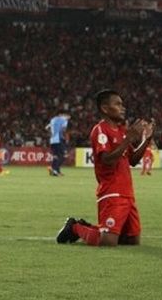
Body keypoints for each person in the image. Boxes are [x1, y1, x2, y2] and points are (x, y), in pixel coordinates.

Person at [56, 89, 154, 247]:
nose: (123, 108)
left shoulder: (121, 131)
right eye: (118, 104)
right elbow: (107, 159)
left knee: (131, 240)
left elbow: (133, 160)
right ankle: (75, 227)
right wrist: (128, 139)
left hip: (128, 193)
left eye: (122, 104)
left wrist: (146, 140)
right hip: (111, 191)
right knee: (108, 242)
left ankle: (92, 228)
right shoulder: (100, 129)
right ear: (105, 108)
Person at [46, 112, 70, 176]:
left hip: (52, 140)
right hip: (59, 140)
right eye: (67, 115)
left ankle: (56, 170)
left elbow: (46, 128)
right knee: (65, 155)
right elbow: (63, 129)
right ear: (62, 114)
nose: (68, 117)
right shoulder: (64, 120)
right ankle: (55, 169)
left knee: (56, 156)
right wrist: (65, 138)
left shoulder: (52, 119)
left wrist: (52, 135)